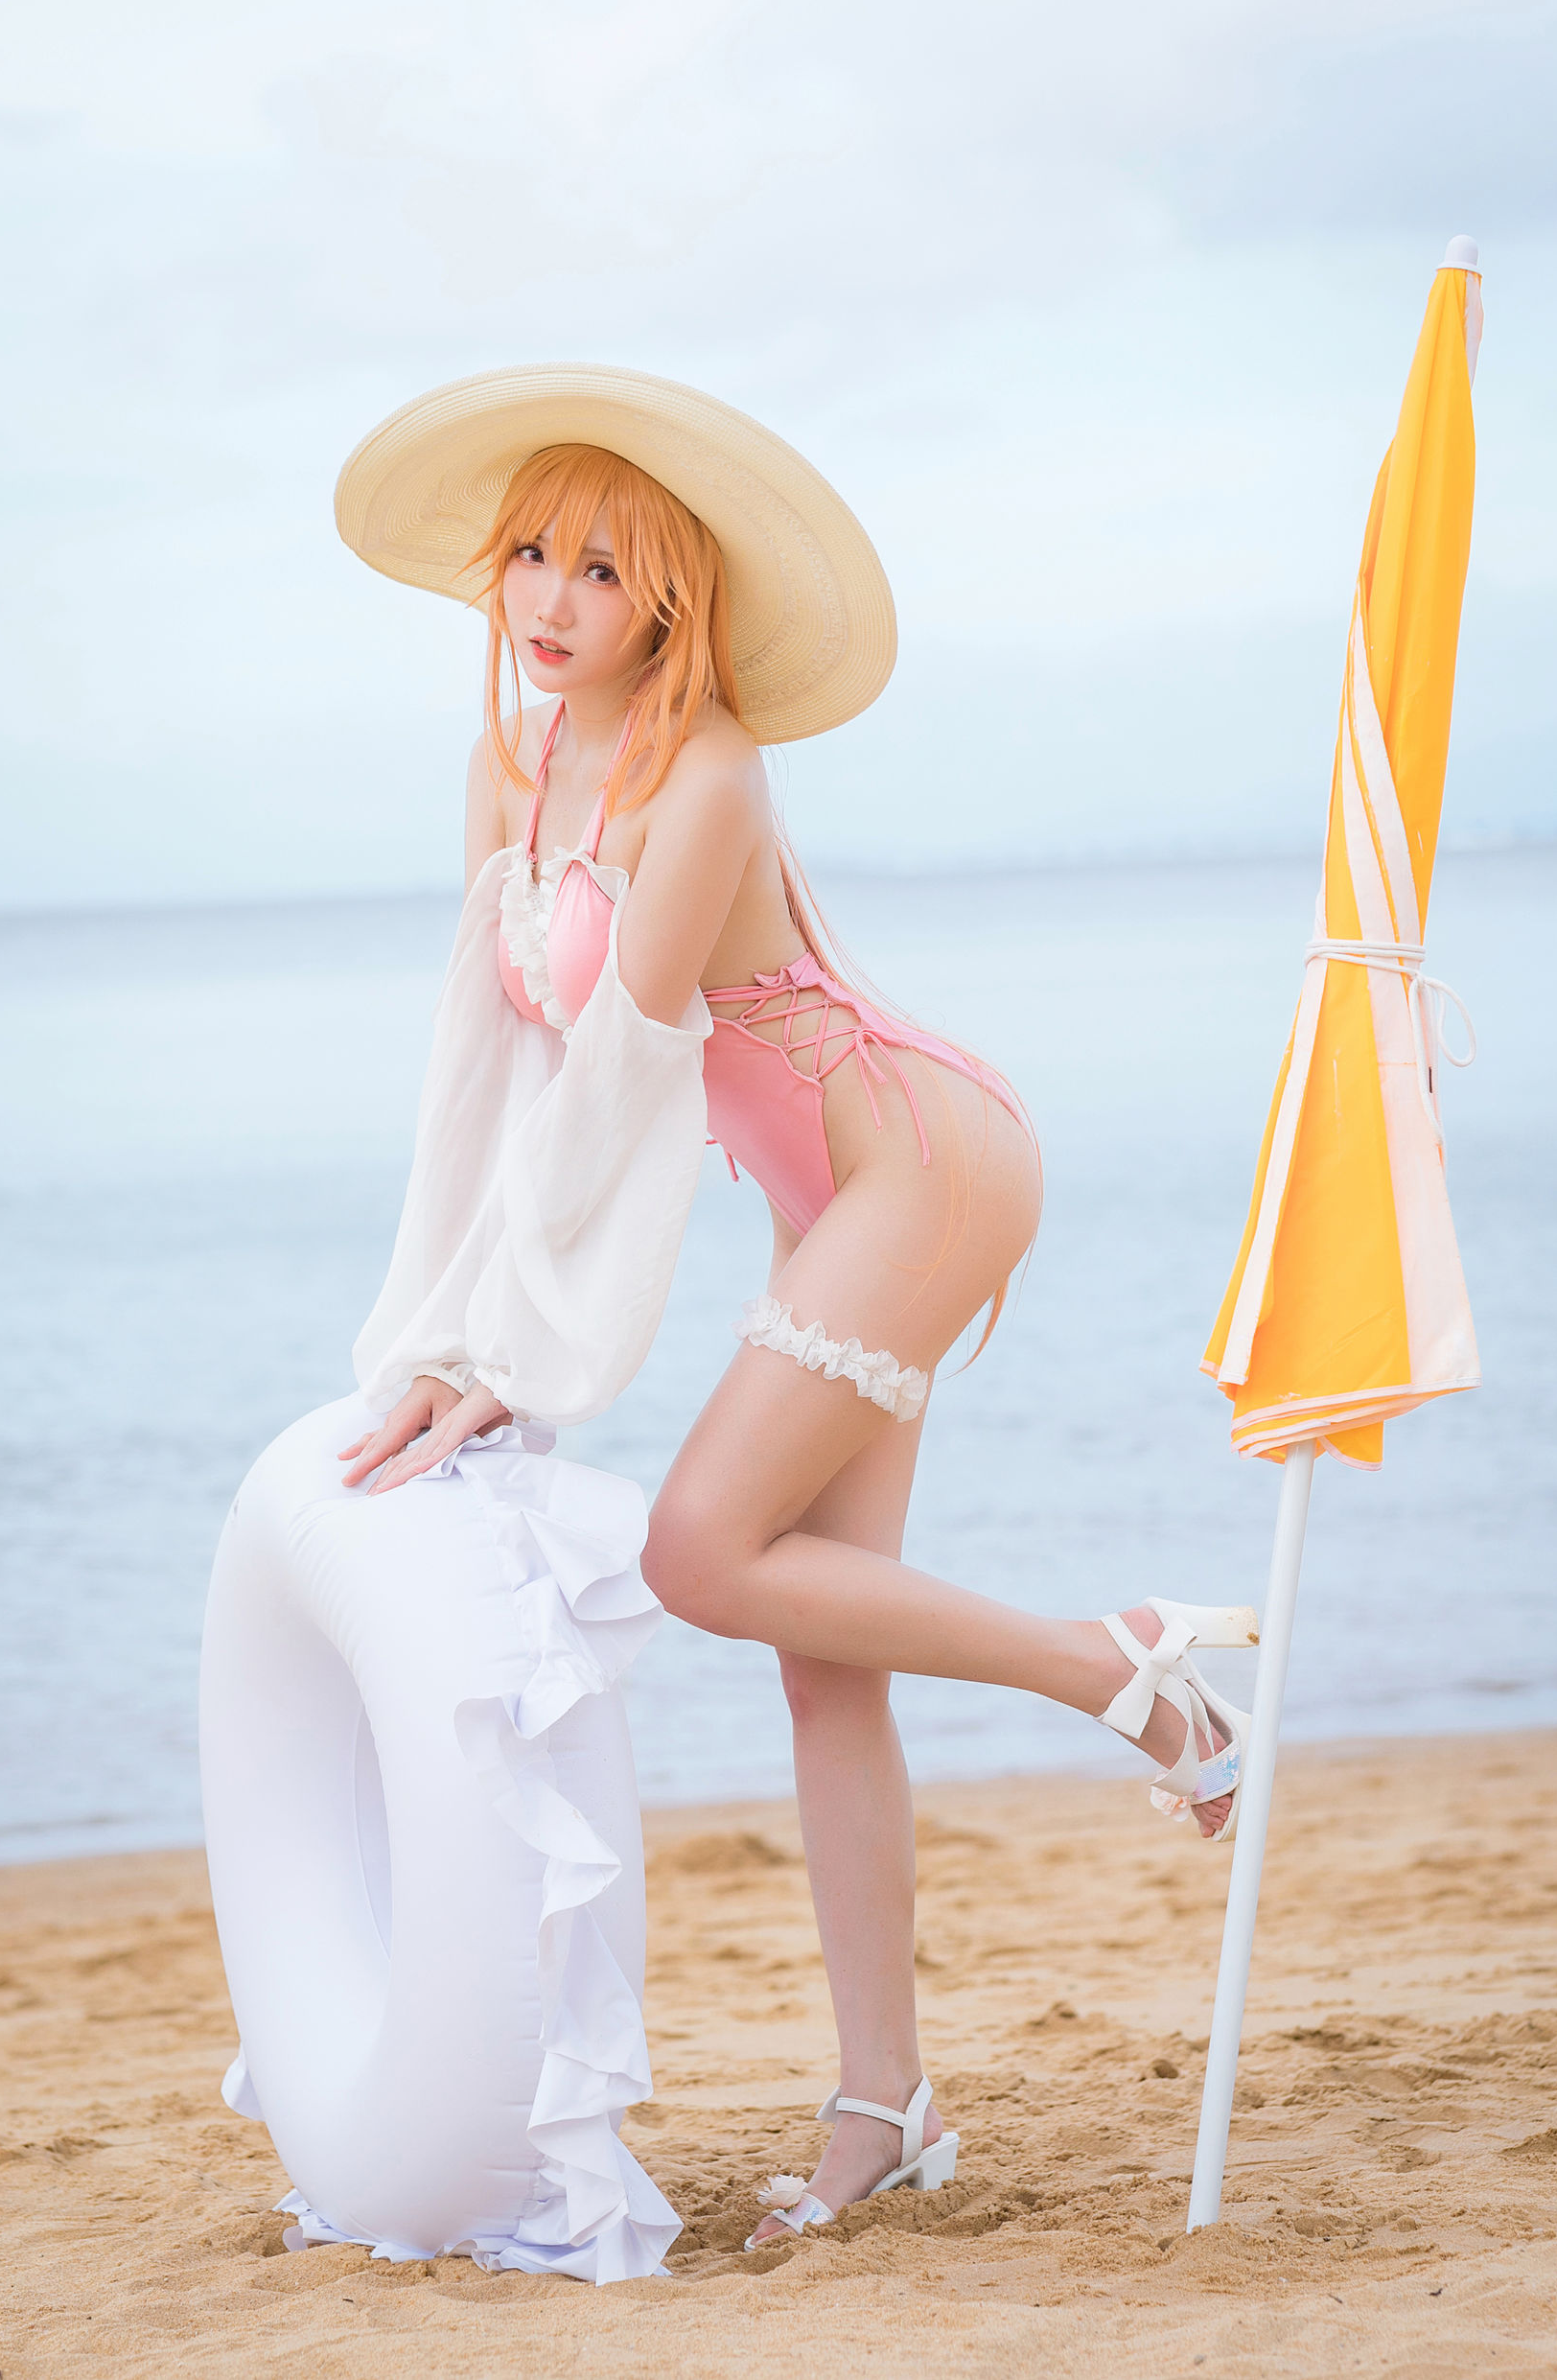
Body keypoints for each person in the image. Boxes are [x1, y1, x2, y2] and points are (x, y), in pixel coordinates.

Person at [334, 367, 1254, 2251]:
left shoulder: (710, 774)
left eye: (606, 569)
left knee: (700, 1551)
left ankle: (1115, 1663)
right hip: (833, 1190)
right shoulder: (509, 764)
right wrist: (444, 1340)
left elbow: (620, 1077)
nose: (554, 597)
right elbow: (491, 1077)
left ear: (672, 599)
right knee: (817, 1657)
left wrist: (523, 1362)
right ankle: (884, 2102)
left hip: (918, 1153)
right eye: (534, 552)